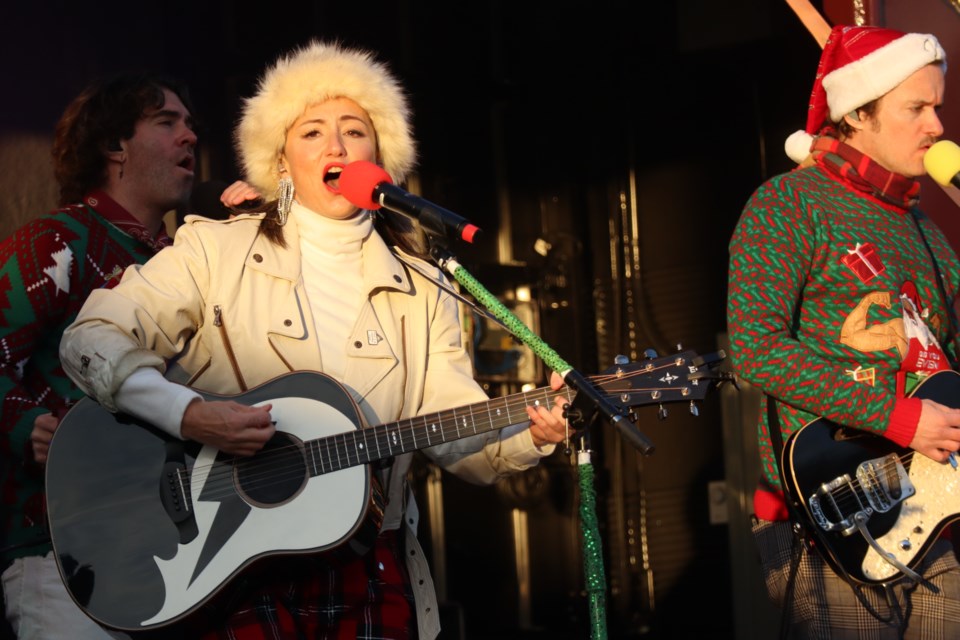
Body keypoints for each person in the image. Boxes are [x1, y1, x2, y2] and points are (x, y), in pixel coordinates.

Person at [59, 41, 568, 639]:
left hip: (366, 564)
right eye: (312, 133)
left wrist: (528, 432)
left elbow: (453, 429)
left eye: (355, 131)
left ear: (383, 156)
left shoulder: (425, 285)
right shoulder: (213, 251)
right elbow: (91, 338)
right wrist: (190, 415)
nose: (336, 146)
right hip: (230, 566)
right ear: (280, 162)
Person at [727, 25, 960, 638]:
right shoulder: (787, 205)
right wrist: (897, 417)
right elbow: (755, 348)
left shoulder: (926, 230)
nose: (937, 125)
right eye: (917, 108)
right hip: (830, 515)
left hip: (930, 512)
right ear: (858, 114)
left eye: (937, 106)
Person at [0, 73, 197, 638]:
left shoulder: (188, 262)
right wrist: (25, 424)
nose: (190, 136)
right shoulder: (56, 242)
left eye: (191, 125)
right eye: (167, 122)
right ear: (115, 145)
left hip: (174, 546)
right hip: (63, 550)